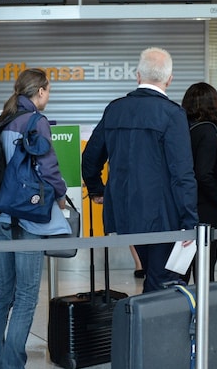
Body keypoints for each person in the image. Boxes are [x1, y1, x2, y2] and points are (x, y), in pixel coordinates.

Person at [82, 47, 198, 293]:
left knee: (153, 276)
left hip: (124, 214)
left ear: (138, 76)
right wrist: (189, 219)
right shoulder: (173, 114)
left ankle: (142, 327)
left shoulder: (115, 109)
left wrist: (96, 189)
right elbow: (182, 173)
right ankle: (152, 330)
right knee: (163, 284)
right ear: (169, 79)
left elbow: (90, 158)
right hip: (162, 217)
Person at [0, 68, 71, 369]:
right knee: (25, 298)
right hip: (29, 220)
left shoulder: (4, 120)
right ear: (41, 91)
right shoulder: (35, 122)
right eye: (50, 90)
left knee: (3, 294)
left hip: (2, 217)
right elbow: (48, 167)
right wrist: (61, 196)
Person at [180, 82, 217, 284]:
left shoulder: (181, 130)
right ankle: (203, 314)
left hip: (182, 208)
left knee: (180, 270)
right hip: (204, 210)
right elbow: (204, 174)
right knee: (204, 272)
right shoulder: (207, 130)